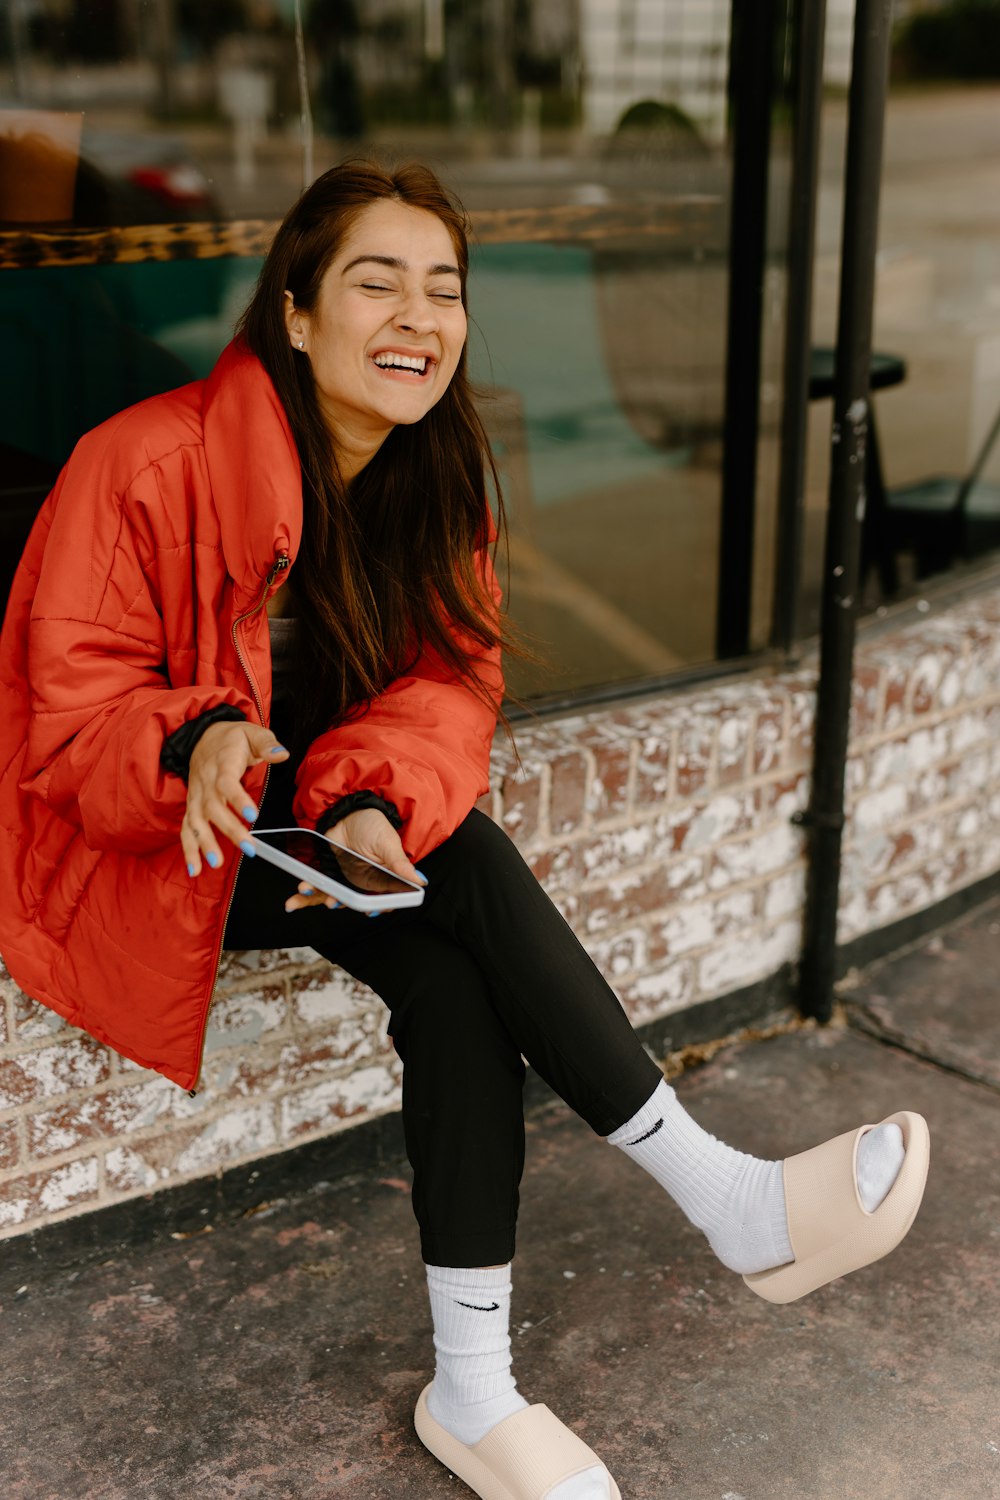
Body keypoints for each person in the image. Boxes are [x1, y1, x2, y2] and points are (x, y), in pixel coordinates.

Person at [0, 159, 930, 1500]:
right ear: (297, 312)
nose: (419, 314)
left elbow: (447, 684)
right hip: (147, 838)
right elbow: (66, 711)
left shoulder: (437, 471)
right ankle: (727, 1200)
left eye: (447, 288)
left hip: (307, 824)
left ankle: (474, 1392)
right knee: (477, 861)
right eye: (378, 281)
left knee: (448, 969)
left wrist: (371, 805)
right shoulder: (141, 461)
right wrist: (190, 739)